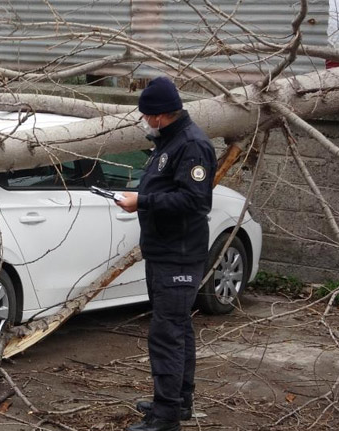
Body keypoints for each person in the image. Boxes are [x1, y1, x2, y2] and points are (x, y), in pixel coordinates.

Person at [116, 77, 216, 431]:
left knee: (166, 334)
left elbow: (195, 200)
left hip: (179, 255)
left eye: (147, 115)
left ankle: (165, 416)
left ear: (160, 115)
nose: (145, 121)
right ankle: (178, 400)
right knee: (177, 329)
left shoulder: (192, 146)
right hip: (163, 251)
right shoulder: (168, 141)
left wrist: (142, 201)